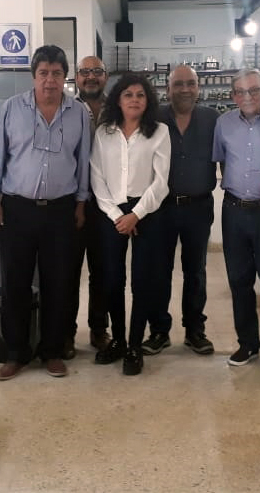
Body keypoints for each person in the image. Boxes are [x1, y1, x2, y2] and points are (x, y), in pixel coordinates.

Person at [0, 45, 91, 381]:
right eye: (43, 73)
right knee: (15, 282)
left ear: (65, 77)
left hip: (61, 211)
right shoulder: (13, 109)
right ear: (34, 76)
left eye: (56, 73)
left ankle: (52, 351)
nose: (50, 80)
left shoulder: (78, 112)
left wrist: (80, 203)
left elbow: (84, 159)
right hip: (17, 208)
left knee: (58, 283)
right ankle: (16, 353)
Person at [90, 73, 171, 375]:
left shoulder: (159, 132)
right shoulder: (104, 133)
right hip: (111, 213)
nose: (135, 99)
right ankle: (119, 340)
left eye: (140, 94)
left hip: (148, 213)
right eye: (128, 94)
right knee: (112, 280)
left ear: (148, 100)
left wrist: (136, 214)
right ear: (118, 100)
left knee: (142, 281)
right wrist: (116, 216)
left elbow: (161, 183)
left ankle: (136, 345)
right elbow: (97, 178)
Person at [212, 68, 260, 369]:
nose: (248, 96)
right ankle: (247, 344)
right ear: (233, 96)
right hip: (233, 211)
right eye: (241, 92)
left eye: (254, 90)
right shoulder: (223, 124)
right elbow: (220, 160)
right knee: (239, 280)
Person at [142, 64, 219, 357]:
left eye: (190, 84)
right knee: (158, 272)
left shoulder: (212, 119)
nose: (185, 89)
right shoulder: (155, 118)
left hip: (199, 207)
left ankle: (194, 331)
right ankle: (159, 331)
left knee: (195, 271)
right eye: (178, 84)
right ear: (167, 88)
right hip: (160, 208)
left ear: (198, 87)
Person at [65, 55, 111, 359]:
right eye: (85, 72)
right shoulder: (65, 108)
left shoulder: (118, 106)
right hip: (71, 203)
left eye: (96, 72)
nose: (90, 77)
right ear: (77, 77)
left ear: (105, 76)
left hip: (107, 203)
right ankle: (65, 333)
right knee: (67, 272)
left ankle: (98, 329)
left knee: (103, 271)